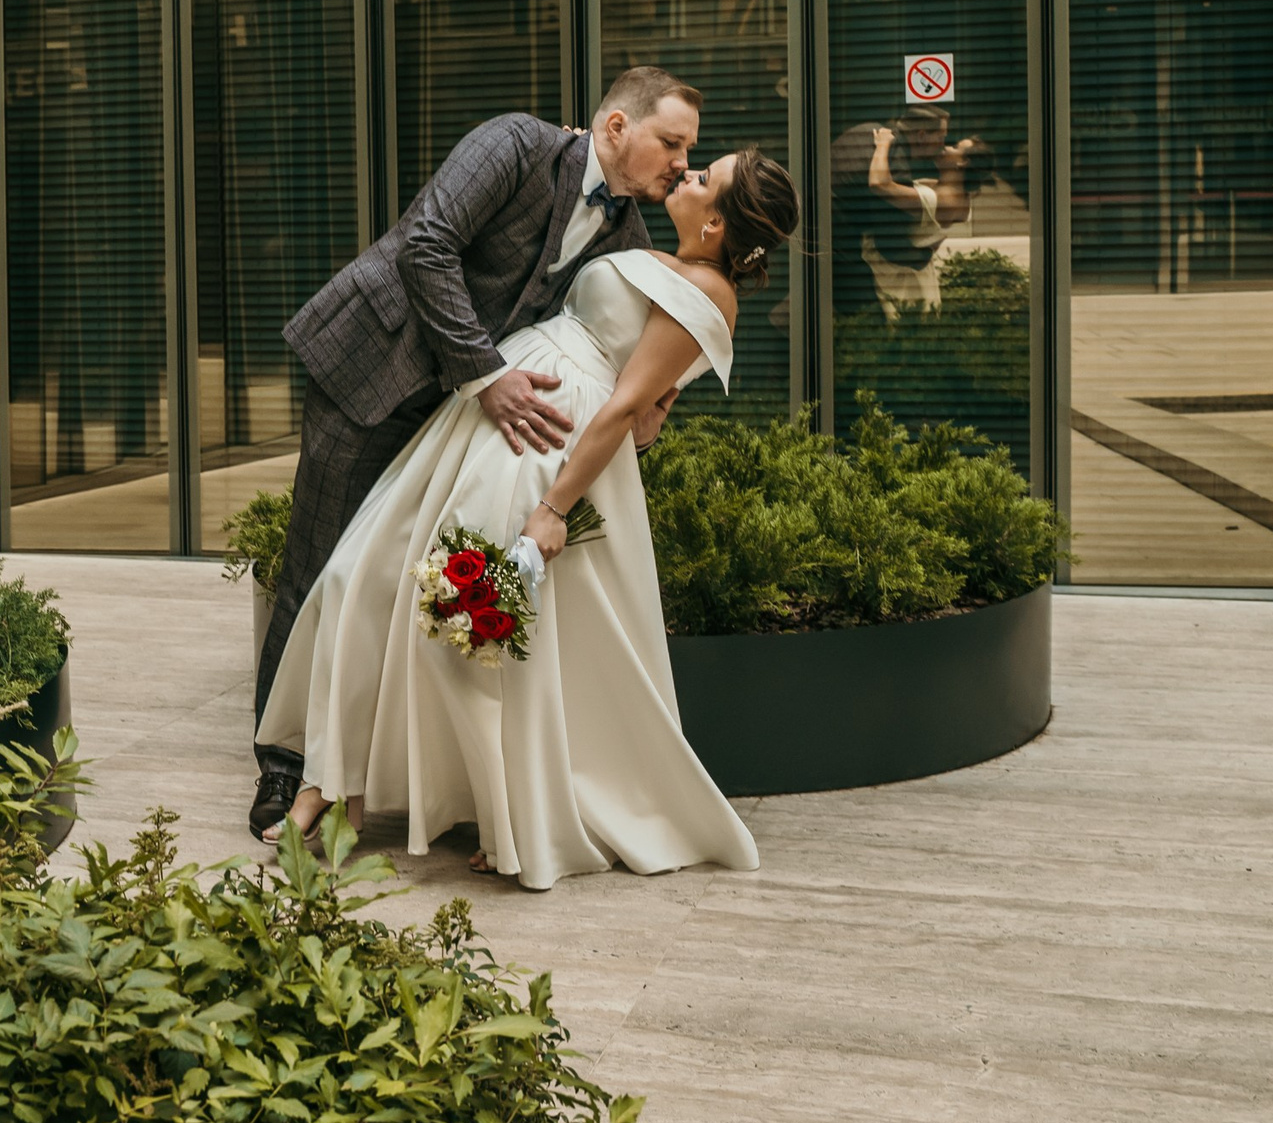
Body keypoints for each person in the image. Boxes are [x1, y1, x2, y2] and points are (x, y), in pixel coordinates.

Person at [258, 149, 802, 889]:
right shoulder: (651, 248)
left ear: (715, 221)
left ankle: (501, 813)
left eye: (706, 176)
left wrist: (551, 512)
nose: (689, 169)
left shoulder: (709, 293)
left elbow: (622, 413)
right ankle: (332, 776)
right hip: (493, 415)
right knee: (367, 572)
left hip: (546, 446)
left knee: (461, 617)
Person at [249, 67, 703, 839]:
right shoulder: (516, 141)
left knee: (376, 573)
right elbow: (427, 244)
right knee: (317, 562)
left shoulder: (631, 240)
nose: (681, 161)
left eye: (690, 149)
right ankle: (282, 766)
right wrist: (488, 378)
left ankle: (354, 769)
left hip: (449, 420)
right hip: (371, 366)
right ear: (618, 127)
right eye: (672, 141)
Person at [831, 104, 979, 318]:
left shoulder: (870, 130)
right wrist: (924, 253)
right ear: (921, 136)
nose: (943, 146)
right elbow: (889, 242)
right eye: (941, 137)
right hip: (842, 240)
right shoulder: (897, 167)